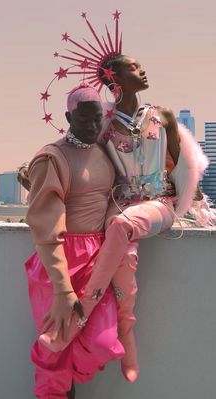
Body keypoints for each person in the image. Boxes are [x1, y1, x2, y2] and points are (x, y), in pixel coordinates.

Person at [36, 53, 208, 384]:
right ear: (114, 77)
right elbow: (82, 156)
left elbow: (182, 164)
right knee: (123, 261)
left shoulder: (162, 116)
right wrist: (38, 168)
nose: (143, 71)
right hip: (120, 204)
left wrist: (198, 205)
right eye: (134, 68)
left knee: (120, 226)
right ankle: (127, 337)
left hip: (158, 204)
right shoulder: (105, 125)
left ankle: (78, 317)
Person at [25, 85, 125, 399]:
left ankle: (68, 382)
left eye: (98, 119)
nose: (94, 126)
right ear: (68, 117)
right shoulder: (51, 157)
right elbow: (45, 225)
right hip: (60, 261)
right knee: (55, 352)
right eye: (84, 120)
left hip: (98, 258)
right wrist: (62, 288)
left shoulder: (105, 149)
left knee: (100, 343)